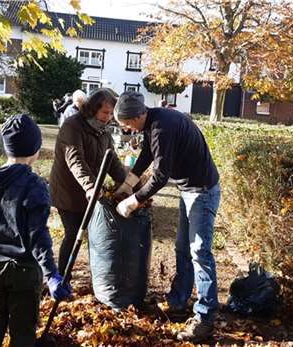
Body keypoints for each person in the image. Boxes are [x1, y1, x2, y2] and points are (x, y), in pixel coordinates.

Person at [112, 91, 221, 343]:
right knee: (183, 248)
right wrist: (129, 183)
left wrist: (133, 200)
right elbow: (148, 155)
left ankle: (205, 317)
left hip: (202, 190)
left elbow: (160, 176)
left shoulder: (163, 127)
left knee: (200, 252)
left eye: (128, 123)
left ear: (139, 115)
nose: (128, 128)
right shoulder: (153, 122)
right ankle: (178, 301)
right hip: (190, 188)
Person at [0, 115, 72, 347]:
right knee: (23, 335)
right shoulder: (35, 186)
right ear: (35, 149)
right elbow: (38, 237)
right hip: (24, 270)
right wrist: (51, 274)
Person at [49, 88, 127, 275]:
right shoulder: (72, 125)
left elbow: (112, 161)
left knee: (97, 235)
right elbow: (75, 159)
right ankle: (62, 277)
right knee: (73, 233)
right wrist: (91, 186)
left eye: (111, 114)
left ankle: (99, 278)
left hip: (90, 193)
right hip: (67, 190)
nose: (108, 117)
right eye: (105, 112)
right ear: (92, 109)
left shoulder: (103, 131)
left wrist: (129, 184)